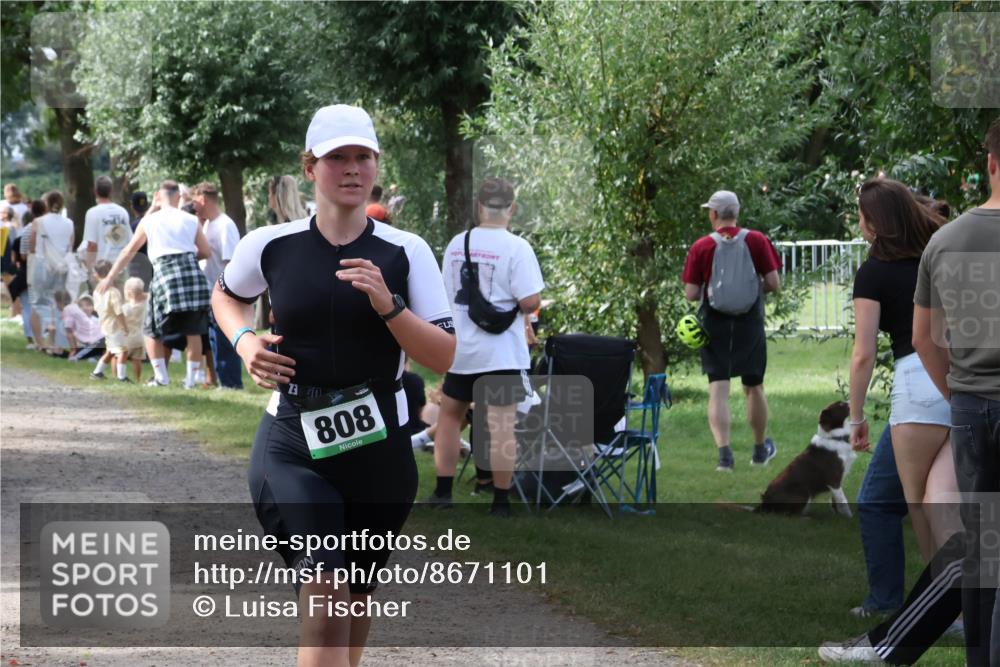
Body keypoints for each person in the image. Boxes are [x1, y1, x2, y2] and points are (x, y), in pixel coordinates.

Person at [211, 103, 455, 667]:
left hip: (378, 446)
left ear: (376, 165)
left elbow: (441, 355)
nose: (352, 168)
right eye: (337, 157)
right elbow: (227, 294)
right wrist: (246, 342)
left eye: (362, 157)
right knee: (324, 591)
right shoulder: (271, 244)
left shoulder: (406, 251)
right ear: (310, 167)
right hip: (294, 441)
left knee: (355, 596)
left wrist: (389, 305)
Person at [912, 117, 1000, 667]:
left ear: (990, 162)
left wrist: (959, 393)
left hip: (970, 408)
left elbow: (924, 338)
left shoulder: (944, 241)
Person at [849, 178, 958, 567]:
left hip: (918, 388)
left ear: (873, 224)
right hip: (964, 381)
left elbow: (863, 354)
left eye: (861, 217)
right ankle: (974, 605)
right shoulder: (941, 254)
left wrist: (856, 417)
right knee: (947, 501)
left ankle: (946, 607)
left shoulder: (873, 273)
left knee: (921, 509)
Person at [430, 177, 544, 517]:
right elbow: (529, 301)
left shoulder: (456, 244)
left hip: (461, 349)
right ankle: (500, 502)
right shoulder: (517, 247)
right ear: (512, 208)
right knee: (501, 425)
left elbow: (445, 292)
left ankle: (443, 492)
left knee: (450, 418)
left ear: (479, 206)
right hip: (502, 353)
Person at [682, 190, 781, 471]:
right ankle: (760, 451)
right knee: (754, 386)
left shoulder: (701, 247)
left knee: (718, 389)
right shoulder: (756, 240)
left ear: (713, 214)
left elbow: (691, 293)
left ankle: (725, 457)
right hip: (749, 321)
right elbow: (773, 283)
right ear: (736, 213)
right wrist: (753, 290)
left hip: (715, 323)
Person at [96, 179, 212, 389]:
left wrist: (110, 276)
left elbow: (129, 251)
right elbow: (206, 252)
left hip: (164, 275)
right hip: (192, 275)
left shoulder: (149, 221)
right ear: (178, 197)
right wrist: (186, 257)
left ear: (158, 196)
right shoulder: (190, 220)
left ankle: (161, 378)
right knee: (194, 331)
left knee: (151, 330)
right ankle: (190, 382)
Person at [192, 181, 243, 389]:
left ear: (203, 199)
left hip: (224, 293)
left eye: (195, 202)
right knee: (214, 340)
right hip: (212, 292)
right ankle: (222, 381)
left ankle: (231, 384)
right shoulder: (207, 224)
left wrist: (227, 295)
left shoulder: (225, 225)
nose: (193, 206)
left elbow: (231, 262)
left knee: (225, 341)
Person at [28, 195, 74, 353]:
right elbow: (70, 246)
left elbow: (33, 246)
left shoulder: (38, 222)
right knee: (58, 304)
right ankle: (55, 342)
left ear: (46, 204)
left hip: (42, 265)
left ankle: (40, 342)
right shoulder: (69, 223)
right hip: (61, 266)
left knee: (38, 303)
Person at [83, 176, 132, 278]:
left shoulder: (92, 213)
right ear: (111, 191)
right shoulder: (122, 212)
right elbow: (130, 242)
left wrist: (89, 269)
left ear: (95, 191)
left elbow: (92, 245)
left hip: (101, 269)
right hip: (121, 267)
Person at [90, 260, 127, 380]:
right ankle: (122, 377)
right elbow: (118, 311)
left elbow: (96, 308)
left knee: (110, 351)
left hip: (104, 324)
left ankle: (97, 372)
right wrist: (124, 326)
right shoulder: (113, 292)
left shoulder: (96, 291)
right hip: (115, 326)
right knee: (122, 351)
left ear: (96, 274)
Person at [59, 292, 105, 361]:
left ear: (93, 307)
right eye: (81, 306)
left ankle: (92, 356)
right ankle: (81, 357)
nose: (85, 308)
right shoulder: (76, 321)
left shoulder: (97, 320)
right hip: (88, 345)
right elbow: (70, 333)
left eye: (88, 305)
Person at [127, 191, 154, 289]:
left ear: (132, 206)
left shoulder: (134, 225)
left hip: (138, 268)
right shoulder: (154, 222)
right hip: (153, 265)